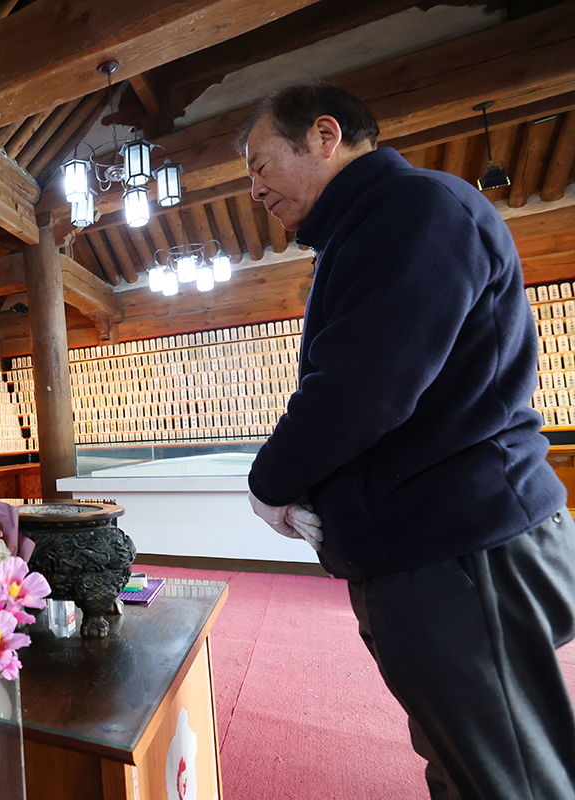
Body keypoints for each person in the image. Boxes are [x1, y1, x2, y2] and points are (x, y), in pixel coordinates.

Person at [240, 83, 575, 799]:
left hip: (460, 546)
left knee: (509, 779)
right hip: (434, 549)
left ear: (324, 136)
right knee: (460, 762)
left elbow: (364, 386)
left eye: (261, 166)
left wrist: (269, 482)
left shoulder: (416, 208)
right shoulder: (368, 227)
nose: (255, 189)